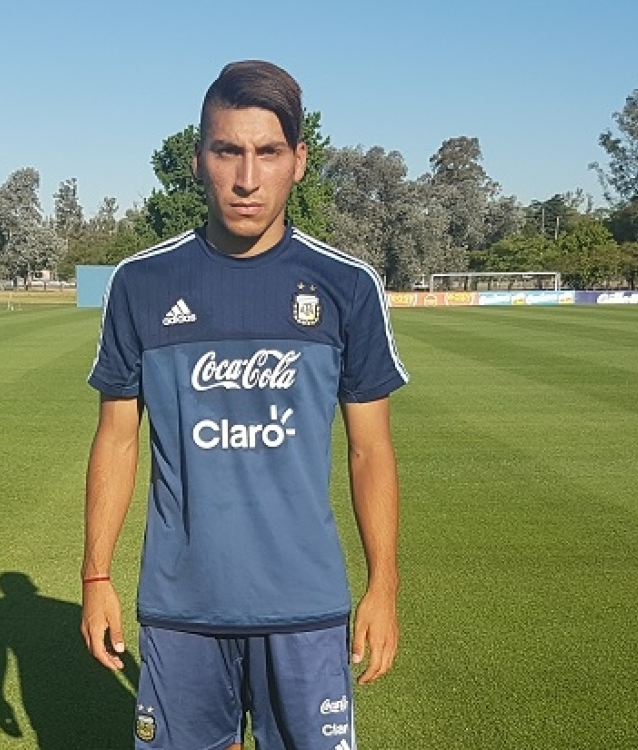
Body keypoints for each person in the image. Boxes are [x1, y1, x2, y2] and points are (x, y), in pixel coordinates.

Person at [81, 59, 408, 750]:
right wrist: (96, 574)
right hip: (182, 606)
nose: (247, 178)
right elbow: (116, 438)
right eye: (228, 150)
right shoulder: (141, 283)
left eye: (268, 152)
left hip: (306, 606)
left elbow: (370, 449)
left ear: (299, 161)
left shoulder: (347, 286)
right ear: (198, 159)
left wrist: (383, 587)